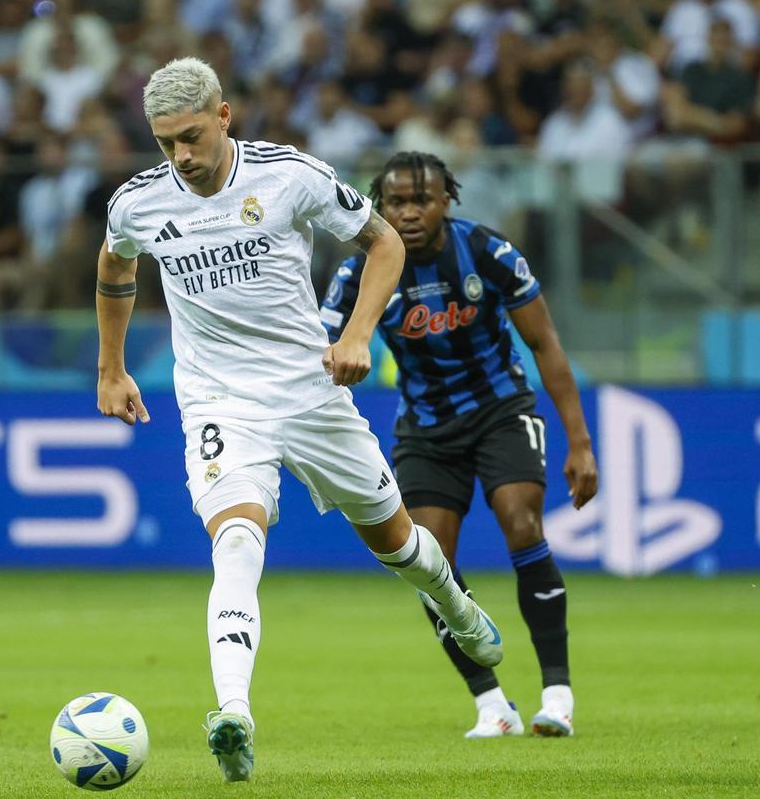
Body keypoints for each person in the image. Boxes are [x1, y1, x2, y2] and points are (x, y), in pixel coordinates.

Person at [95, 58, 504, 784]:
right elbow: (115, 265)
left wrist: (354, 336)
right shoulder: (139, 201)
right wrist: (112, 366)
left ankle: (456, 606)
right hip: (220, 401)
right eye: (165, 144)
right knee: (237, 542)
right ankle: (233, 714)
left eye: (191, 137)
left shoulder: (290, 176)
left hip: (309, 393)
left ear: (224, 117)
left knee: (399, 543)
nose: (181, 157)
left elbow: (386, 243)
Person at [321, 151, 599, 739]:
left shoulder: (489, 254)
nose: (409, 212)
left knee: (522, 524)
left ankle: (558, 694)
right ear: (379, 205)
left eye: (421, 199)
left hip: (501, 411)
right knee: (430, 563)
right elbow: (316, 350)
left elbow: (545, 344)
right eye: (396, 201)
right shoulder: (358, 274)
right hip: (425, 429)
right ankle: (492, 704)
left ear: (448, 199)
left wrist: (580, 442)